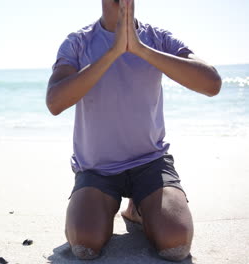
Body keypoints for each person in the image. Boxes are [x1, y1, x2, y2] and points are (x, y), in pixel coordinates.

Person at [46, 0, 221, 261]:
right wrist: (113, 53)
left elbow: (211, 83)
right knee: (85, 244)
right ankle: (108, 206)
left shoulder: (158, 38)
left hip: (150, 163)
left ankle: (137, 209)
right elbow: (55, 102)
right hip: (97, 169)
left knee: (175, 245)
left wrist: (140, 49)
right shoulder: (78, 42)